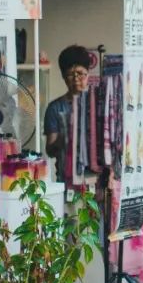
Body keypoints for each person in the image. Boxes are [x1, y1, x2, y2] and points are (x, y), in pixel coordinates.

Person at [43, 45, 92, 185]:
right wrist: (66, 136)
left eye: (80, 73)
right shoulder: (55, 108)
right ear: (64, 77)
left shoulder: (97, 105)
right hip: (66, 179)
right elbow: (50, 150)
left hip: (95, 180)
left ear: (88, 74)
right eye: (71, 74)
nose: (76, 78)